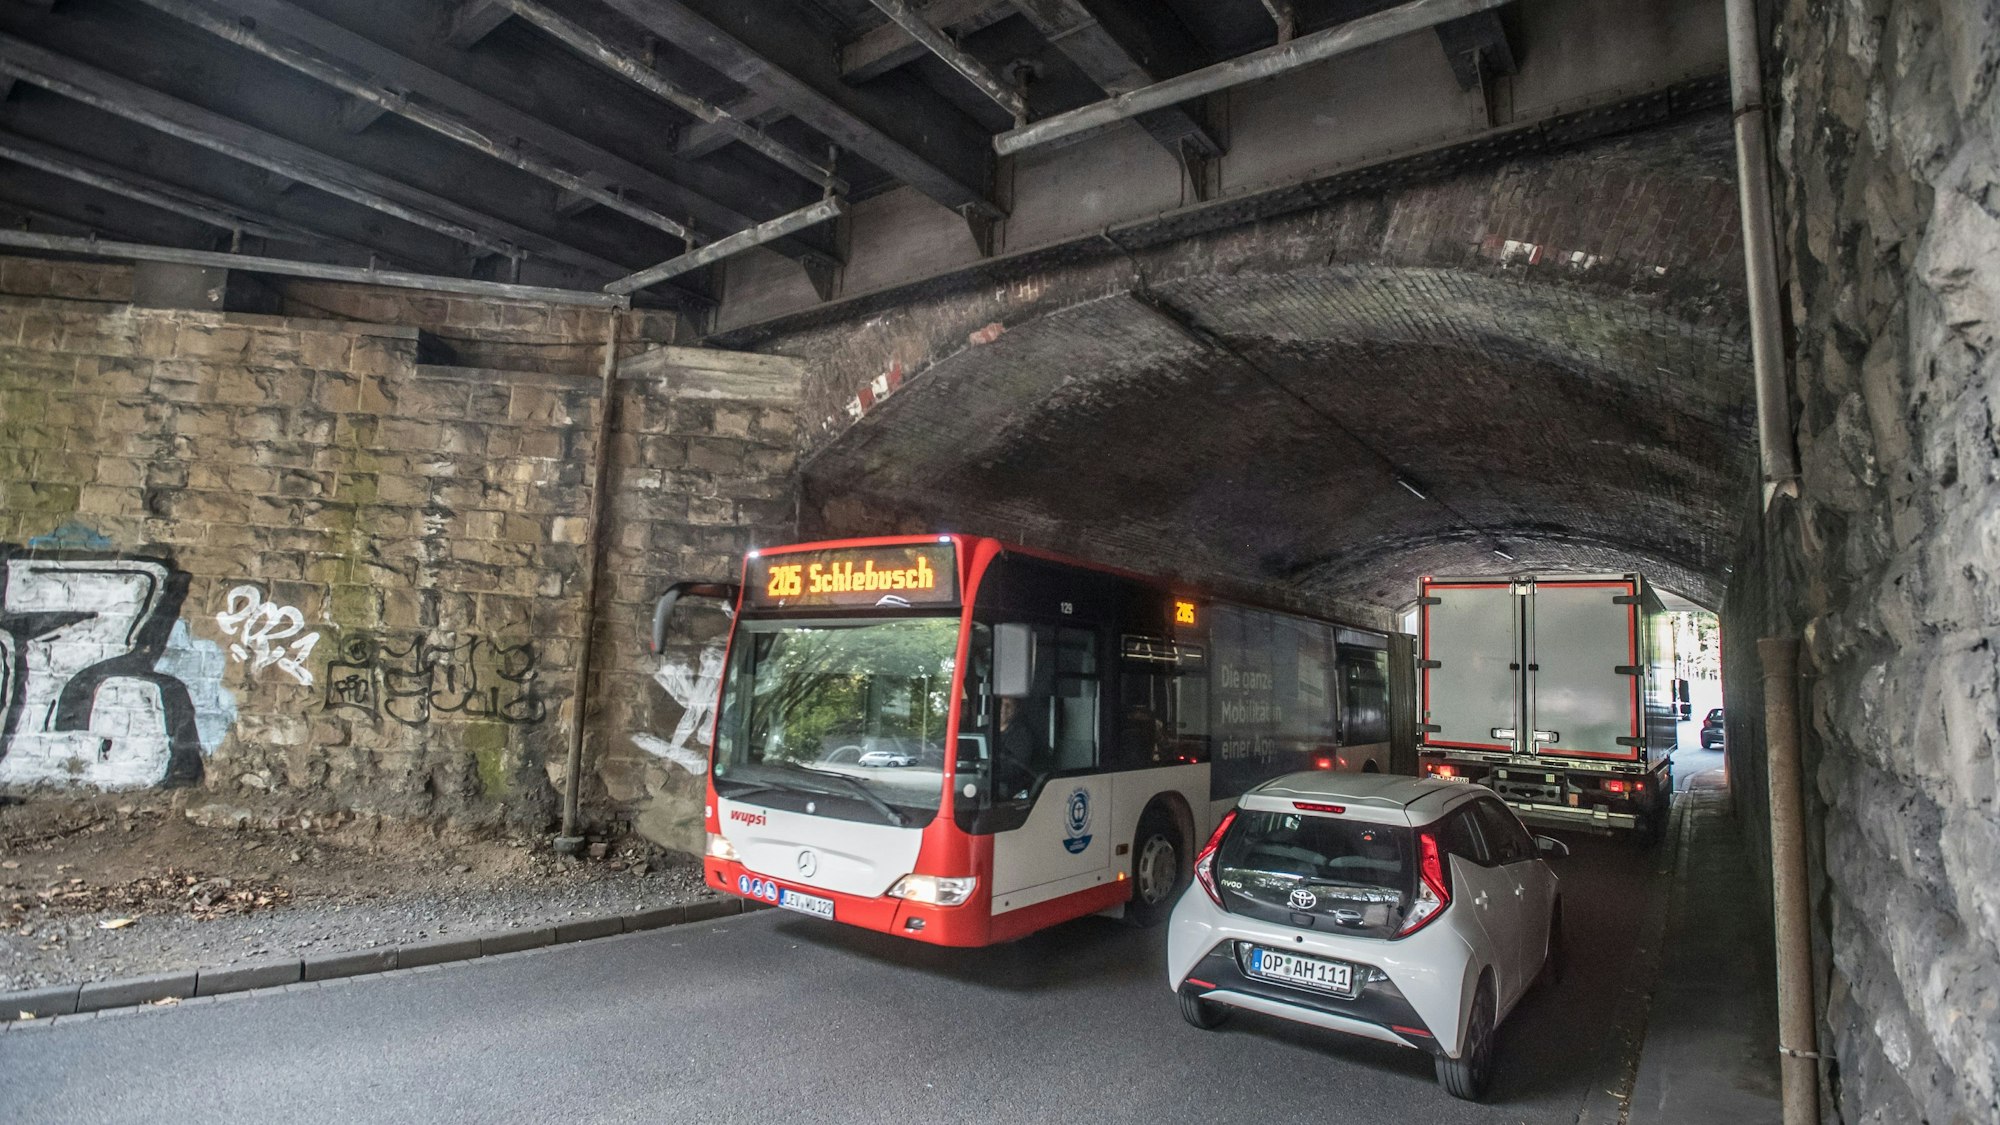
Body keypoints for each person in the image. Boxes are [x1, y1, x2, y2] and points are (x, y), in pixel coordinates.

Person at [994, 695, 1047, 799]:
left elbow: (1016, 768)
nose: (1003, 709)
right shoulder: (987, 730)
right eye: (1001, 704)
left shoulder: (1022, 734)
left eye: (1008, 705)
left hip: (1011, 792)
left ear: (1015, 710)